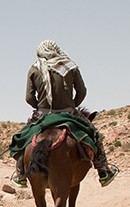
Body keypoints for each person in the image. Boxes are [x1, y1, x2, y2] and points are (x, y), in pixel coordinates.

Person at [13, 40, 117, 188]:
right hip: (68, 112)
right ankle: (103, 171)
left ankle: (20, 173)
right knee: (94, 133)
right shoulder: (70, 67)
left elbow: (29, 98)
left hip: (42, 115)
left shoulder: (34, 69)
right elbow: (82, 92)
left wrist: (41, 108)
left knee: (23, 137)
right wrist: (72, 105)